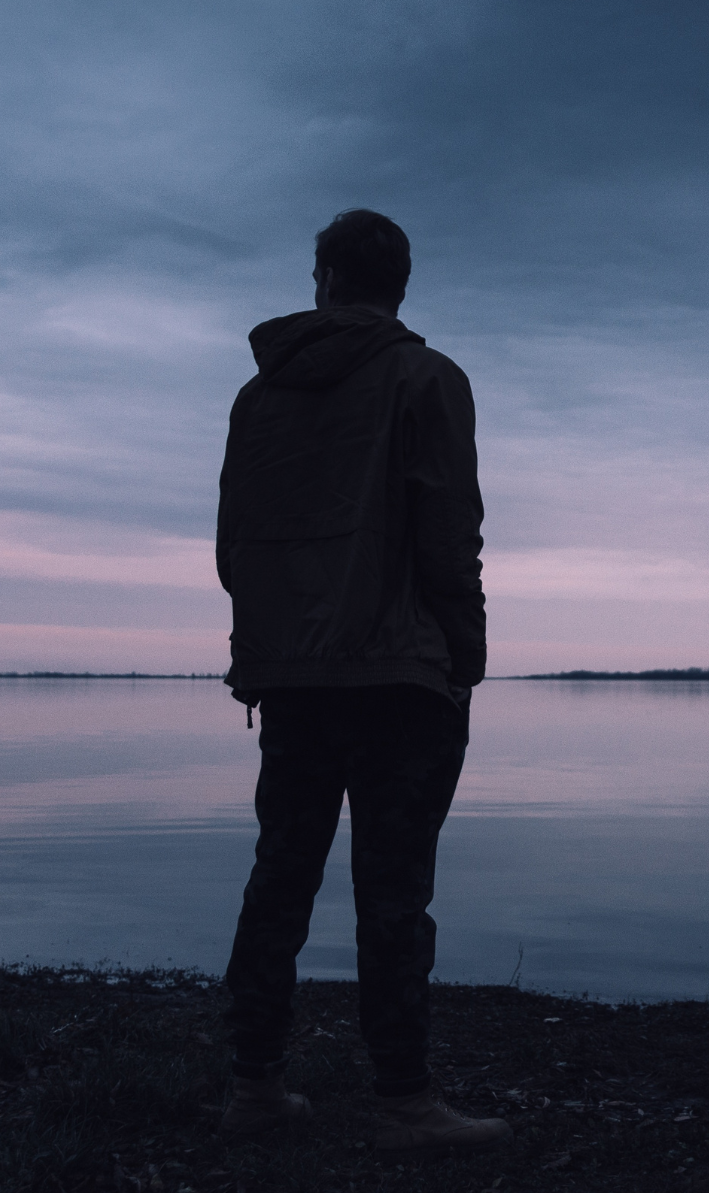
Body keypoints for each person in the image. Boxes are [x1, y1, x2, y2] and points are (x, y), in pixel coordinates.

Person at [213, 209, 507, 1153]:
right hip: (399, 680)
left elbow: (233, 549)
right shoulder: (429, 379)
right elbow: (448, 534)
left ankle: (253, 1086)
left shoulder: (258, 402)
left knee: (279, 880)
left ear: (326, 280)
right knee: (392, 895)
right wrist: (466, 657)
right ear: (399, 285)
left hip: (293, 679)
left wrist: (272, 648)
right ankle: (404, 1103)